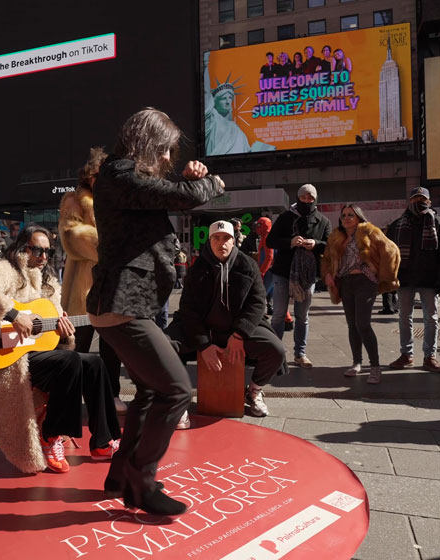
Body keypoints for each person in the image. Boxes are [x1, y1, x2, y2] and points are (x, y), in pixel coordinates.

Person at [87, 108, 225, 516]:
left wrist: (188, 179)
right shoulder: (120, 175)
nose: (168, 159)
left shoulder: (125, 178)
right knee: (177, 390)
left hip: (128, 304)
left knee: (150, 391)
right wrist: (210, 182)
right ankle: (141, 478)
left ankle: (120, 476)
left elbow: (169, 191)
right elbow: (181, 197)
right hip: (122, 307)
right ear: (148, 143)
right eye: (165, 150)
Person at [0, 225, 121, 474]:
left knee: (94, 363)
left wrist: (63, 333)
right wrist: (12, 314)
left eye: (48, 252)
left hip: (36, 354)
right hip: (9, 360)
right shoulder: (3, 269)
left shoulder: (49, 283)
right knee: (70, 362)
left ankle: (103, 440)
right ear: (22, 248)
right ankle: (50, 437)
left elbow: (50, 338)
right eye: (37, 250)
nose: (44, 257)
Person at [167, 220, 287, 417]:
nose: (221, 243)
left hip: (237, 328)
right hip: (203, 329)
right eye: (216, 238)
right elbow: (188, 309)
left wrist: (240, 334)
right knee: (164, 345)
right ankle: (178, 397)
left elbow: (257, 302)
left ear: (234, 242)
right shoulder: (197, 268)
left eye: (226, 238)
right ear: (210, 241)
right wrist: (203, 344)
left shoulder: (247, 264)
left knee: (276, 350)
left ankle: (254, 391)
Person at [58, 147, 127, 414]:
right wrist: (112, 246)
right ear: (87, 176)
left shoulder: (117, 201)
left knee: (111, 348)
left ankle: (112, 394)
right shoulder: (73, 201)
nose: (100, 179)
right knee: (76, 346)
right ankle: (67, 399)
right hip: (82, 290)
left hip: (110, 288)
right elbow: (72, 237)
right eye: (96, 174)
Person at [321, 205, 400, 383]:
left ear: (358, 217)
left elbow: (392, 250)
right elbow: (326, 258)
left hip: (366, 282)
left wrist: (383, 274)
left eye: (351, 215)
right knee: (352, 324)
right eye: (344, 215)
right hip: (346, 282)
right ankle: (357, 362)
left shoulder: (370, 232)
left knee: (362, 323)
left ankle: (375, 367)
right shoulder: (336, 236)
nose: (347, 218)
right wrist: (327, 274)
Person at [386, 187, 440, 373]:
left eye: (422, 199)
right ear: (410, 201)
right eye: (415, 198)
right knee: (403, 318)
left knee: (431, 318)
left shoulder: (438, 223)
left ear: (429, 201)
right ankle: (406, 355)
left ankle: (429, 356)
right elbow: (389, 253)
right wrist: (390, 277)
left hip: (430, 279)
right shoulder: (398, 224)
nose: (418, 202)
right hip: (405, 279)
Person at [266, 184, 332, 367]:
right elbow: (270, 241)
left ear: (315, 199)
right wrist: (290, 242)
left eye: (310, 198)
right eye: (303, 198)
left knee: (302, 316)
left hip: (307, 275)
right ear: (298, 198)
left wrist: (316, 243)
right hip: (283, 272)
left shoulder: (323, 221)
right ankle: (275, 353)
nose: (306, 201)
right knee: (278, 314)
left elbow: (330, 245)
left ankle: (300, 354)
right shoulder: (286, 217)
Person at [204, 54, 275, 155]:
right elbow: (206, 92)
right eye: (224, 98)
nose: (228, 101)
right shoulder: (212, 119)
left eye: (230, 98)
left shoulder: (236, 129)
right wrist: (205, 65)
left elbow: (246, 153)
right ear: (215, 101)